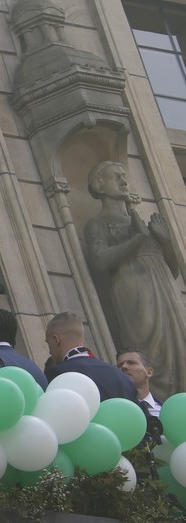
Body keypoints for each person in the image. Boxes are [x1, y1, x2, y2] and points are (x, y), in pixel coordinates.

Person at [84, 160, 186, 397]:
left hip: (165, 291)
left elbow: (173, 269)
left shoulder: (142, 222)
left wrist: (166, 242)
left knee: (178, 347)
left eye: (125, 176)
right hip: (135, 296)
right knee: (147, 349)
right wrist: (137, 239)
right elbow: (100, 260)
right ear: (100, 185)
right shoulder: (98, 223)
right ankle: (154, 401)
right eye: (116, 176)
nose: (124, 181)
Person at [43, 311, 136, 401]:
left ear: (56, 340)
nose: (50, 351)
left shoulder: (58, 374)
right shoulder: (122, 377)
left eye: (48, 343)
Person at [116, 348, 161, 417]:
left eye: (131, 363)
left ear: (149, 372)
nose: (124, 366)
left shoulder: (164, 410)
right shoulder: (116, 411)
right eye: (120, 365)